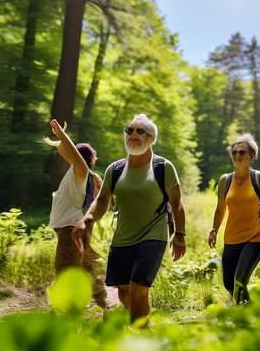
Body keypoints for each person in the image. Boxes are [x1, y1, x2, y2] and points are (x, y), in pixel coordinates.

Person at [74, 114, 186, 324]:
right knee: (124, 292)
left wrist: (179, 235)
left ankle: (139, 341)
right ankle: (145, 328)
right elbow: (102, 200)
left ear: (151, 138)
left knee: (138, 289)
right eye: (129, 130)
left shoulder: (163, 167)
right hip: (122, 238)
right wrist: (87, 219)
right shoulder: (115, 169)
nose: (133, 135)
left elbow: (177, 203)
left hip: (154, 236)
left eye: (140, 131)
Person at [208, 134, 260, 304]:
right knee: (229, 283)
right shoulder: (225, 181)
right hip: (232, 238)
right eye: (234, 152)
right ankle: (252, 311)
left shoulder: (258, 179)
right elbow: (220, 210)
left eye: (242, 152)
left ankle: (244, 320)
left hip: (256, 236)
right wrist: (214, 230)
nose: (237, 156)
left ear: (252, 155)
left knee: (239, 281)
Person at [45, 119, 107, 308]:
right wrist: (60, 140)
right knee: (87, 267)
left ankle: (68, 313)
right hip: (77, 229)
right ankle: (104, 304)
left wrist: (63, 136)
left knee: (66, 271)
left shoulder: (81, 171)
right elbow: (65, 151)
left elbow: (71, 154)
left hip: (69, 230)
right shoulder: (83, 175)